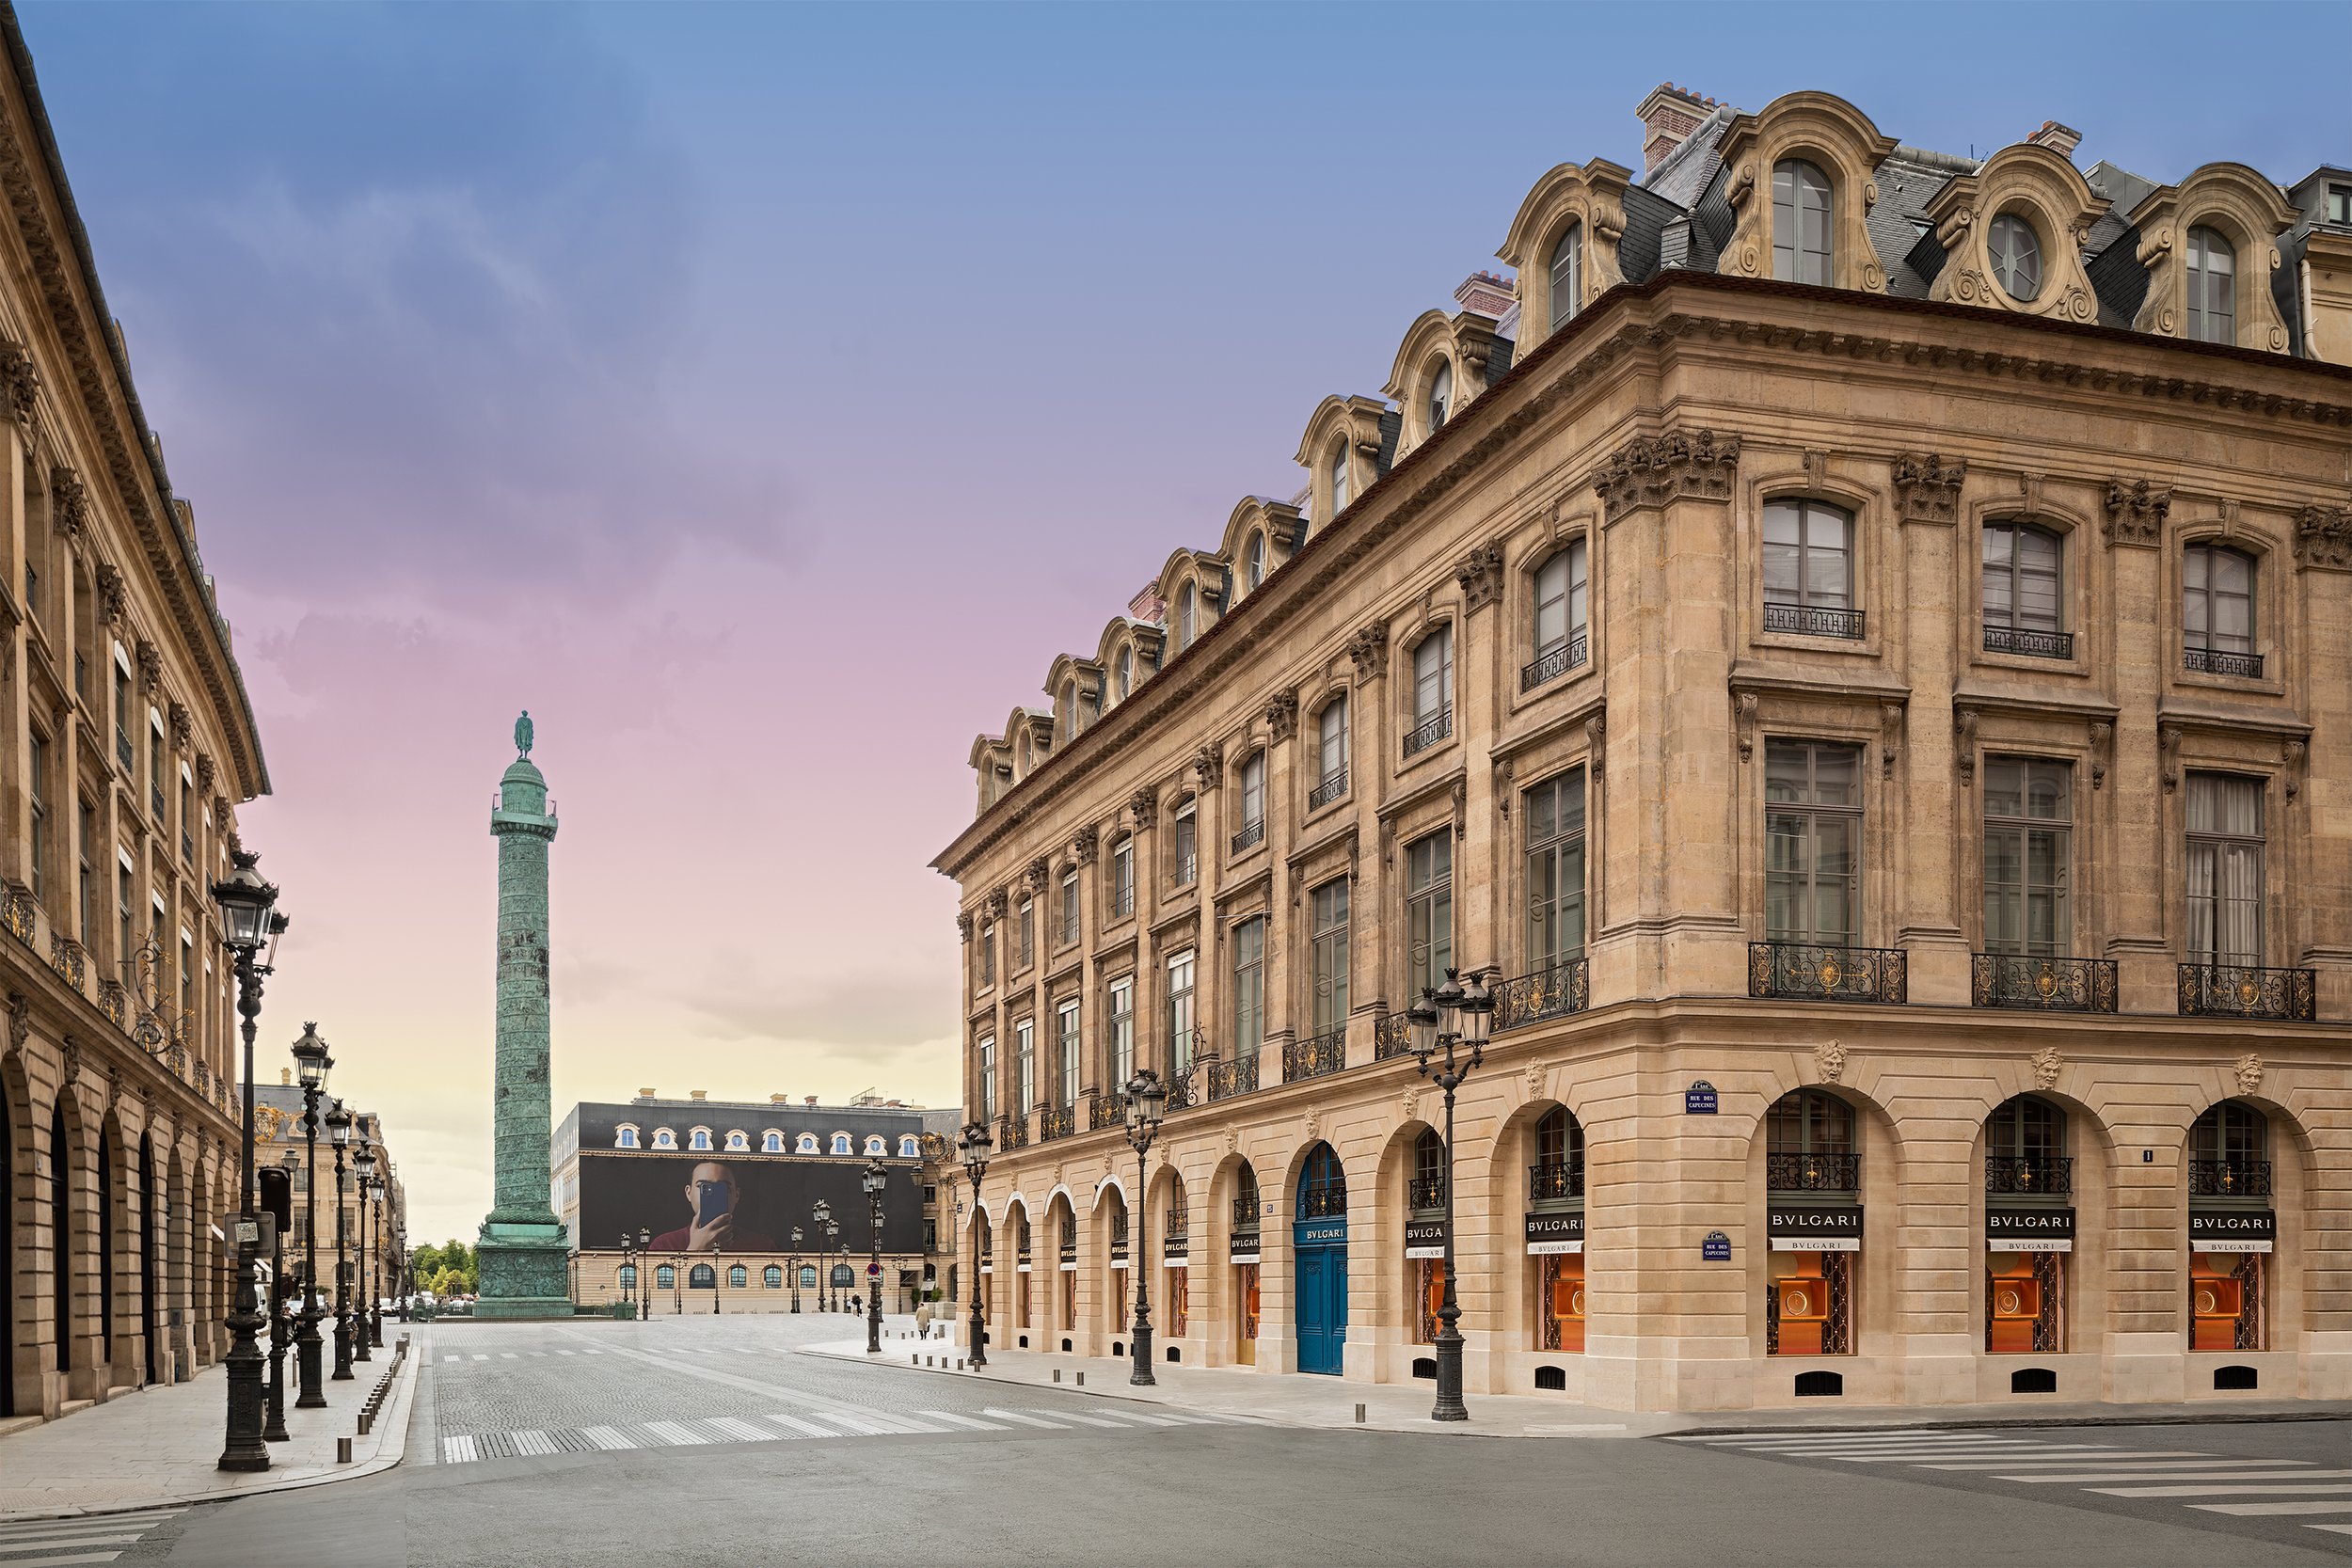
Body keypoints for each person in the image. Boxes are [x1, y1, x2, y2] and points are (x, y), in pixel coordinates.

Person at [648, 1161, 778, 1253]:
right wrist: (694, 1250)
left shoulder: (763, 1246)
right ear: (689, 1193)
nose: (712, 1196)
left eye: (723, 1188)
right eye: (704, 1187)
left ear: (736, 1195)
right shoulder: (664, 1245)